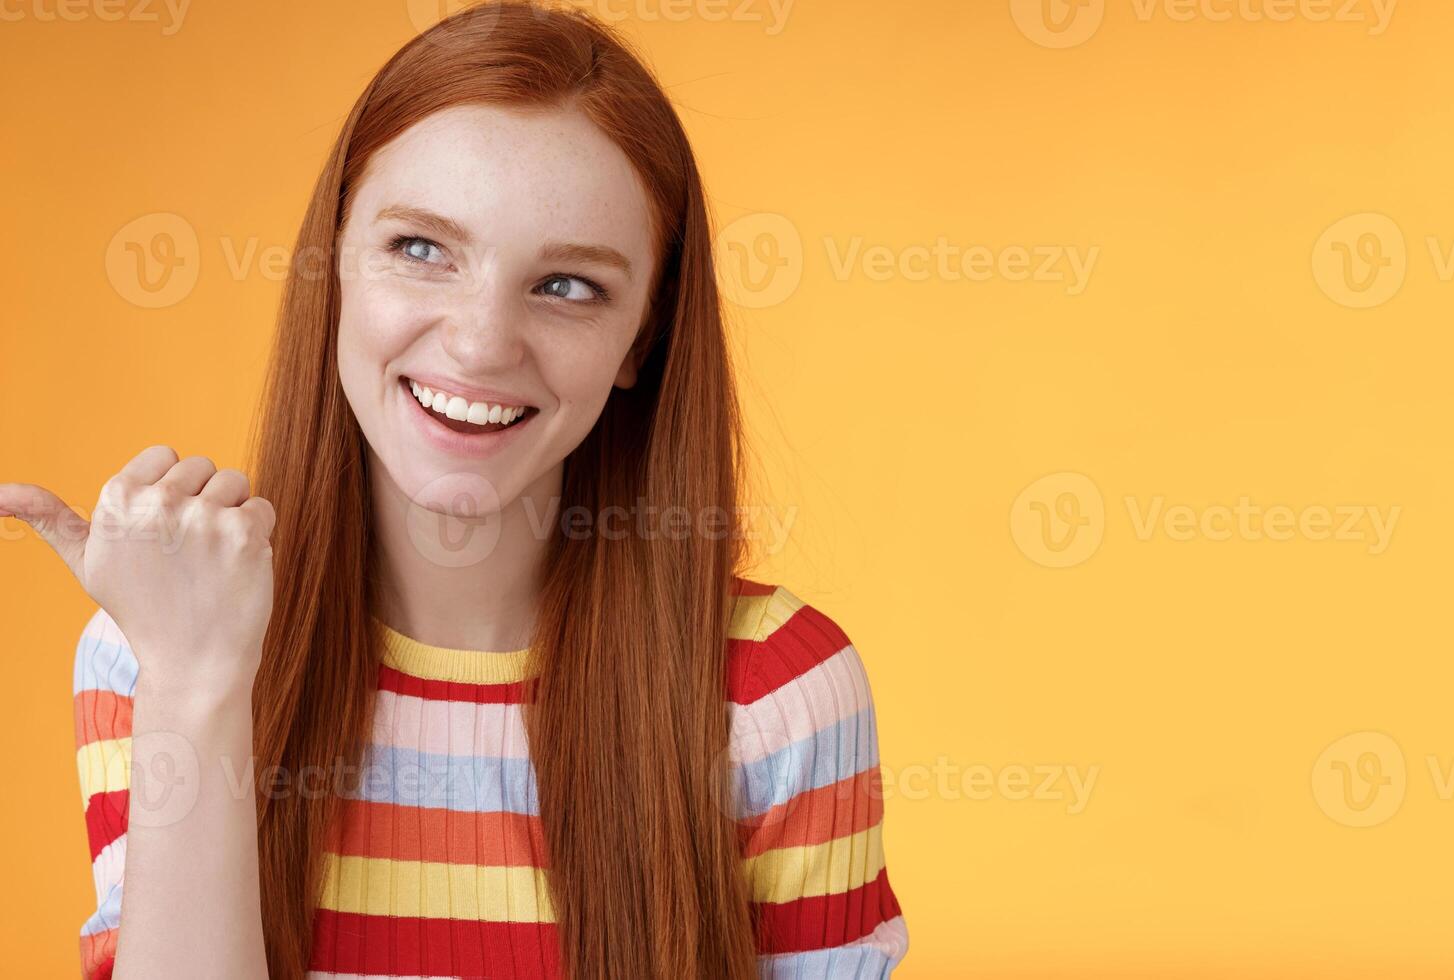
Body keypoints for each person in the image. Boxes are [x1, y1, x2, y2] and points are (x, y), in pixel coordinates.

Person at [2, 3, 907, 977]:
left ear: (640, 339)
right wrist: (192, 680)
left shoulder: (778, 693)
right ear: (334, 268)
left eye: (567, 285)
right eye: (421, 249)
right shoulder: (158, 645)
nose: (480, 341)